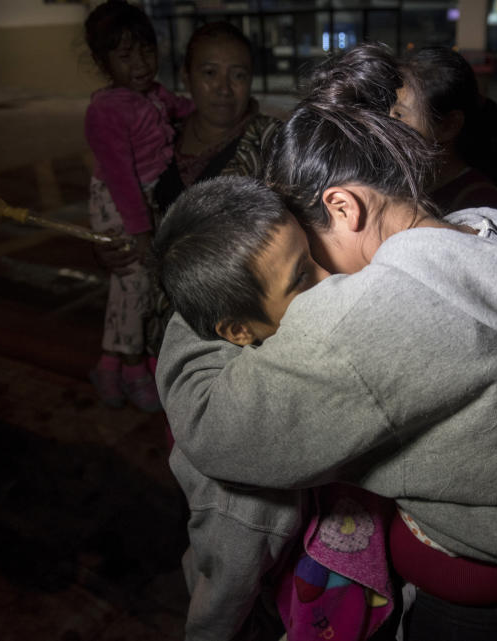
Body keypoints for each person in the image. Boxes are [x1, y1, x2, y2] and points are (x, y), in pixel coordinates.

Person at [155, 73, 497, 640]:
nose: (322, 285)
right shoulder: (484, 234)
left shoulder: (363, 316)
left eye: (310, 254)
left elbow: (214, 429)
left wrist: (204, 276)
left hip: (474, 616)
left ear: (343, 205)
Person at [152, 175, 398, 641]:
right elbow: (223, 587)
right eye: (302, 277)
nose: (334, 281)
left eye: (313, 255)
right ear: (238, 331)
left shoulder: (265, 324)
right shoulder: (238, 449)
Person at [95, 20, 279, 362]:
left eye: (238, 75)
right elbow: (123, 202)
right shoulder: (159, 135)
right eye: (210, 73)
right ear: (186, 77)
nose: (224, 88)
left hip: (234, 338)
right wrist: (110, 245)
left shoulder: (273, 143)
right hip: (161, 328)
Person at [83, 0, 195, 412]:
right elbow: (120, 177)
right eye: (125, 55)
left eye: (147, 51)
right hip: (120, 201)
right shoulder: (105, 110)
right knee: (137, 284)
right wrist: (140, 229)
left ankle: (108, 364)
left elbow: (182, 107)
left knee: (125, 286)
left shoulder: (153, 94)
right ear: (103, 61)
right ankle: (133, 368)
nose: (141, 64)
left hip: (141, 198)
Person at [391, 46, 497, 213]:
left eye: (399, 115)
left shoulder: (480, 207)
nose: (386, 123)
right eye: (388, 110)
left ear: (448, 126)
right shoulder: (415, 183)